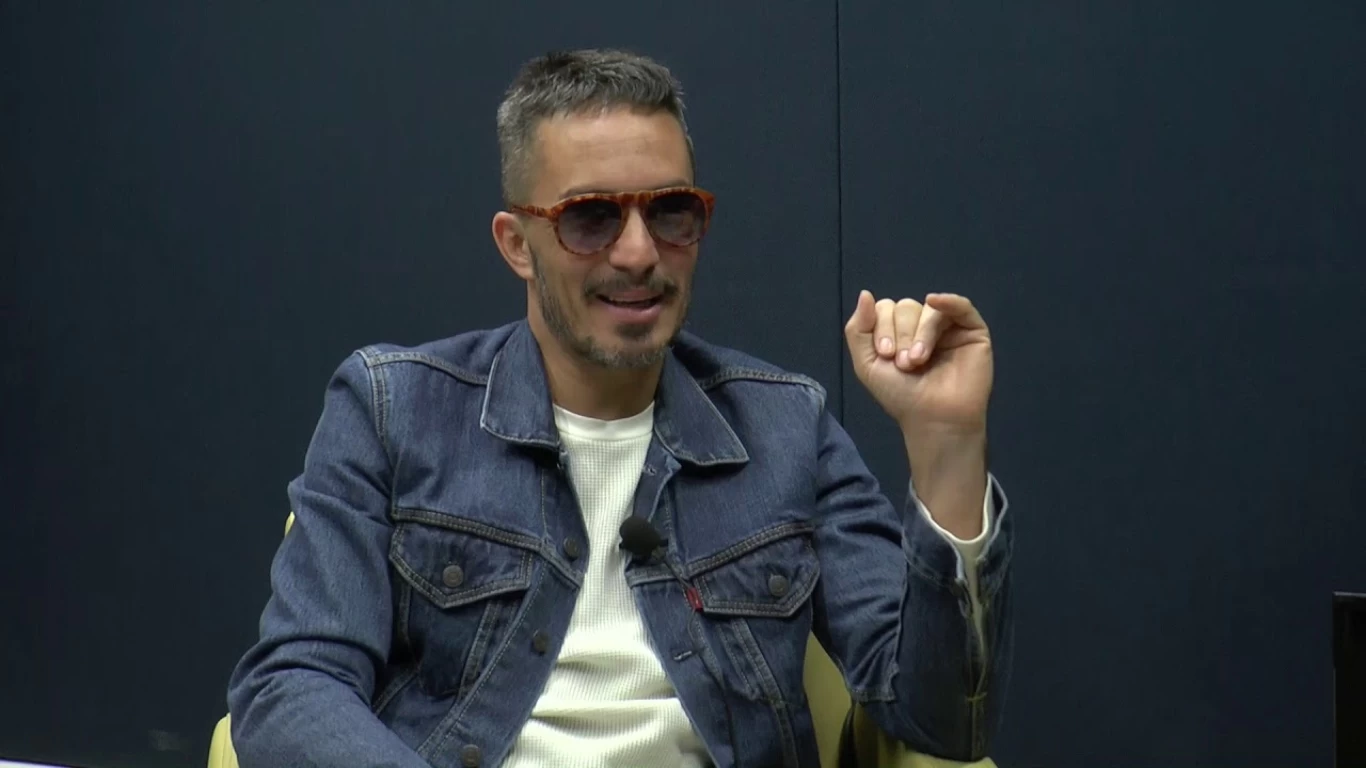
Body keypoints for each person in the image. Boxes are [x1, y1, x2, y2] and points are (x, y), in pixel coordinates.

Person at [227, 48, 1012, 768]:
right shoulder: (395, 410)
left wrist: (946, 445)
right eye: (591, 218)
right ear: (516, 243)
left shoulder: (787, 430)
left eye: (670, 212)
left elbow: (942, 722)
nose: (638, 253)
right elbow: (290, 688)